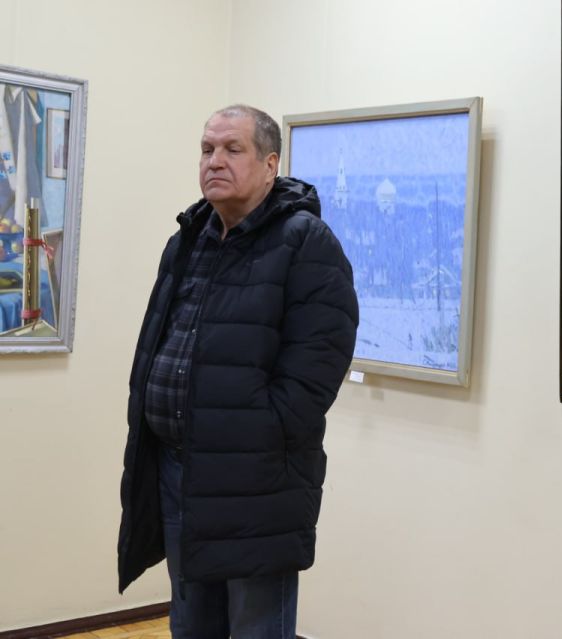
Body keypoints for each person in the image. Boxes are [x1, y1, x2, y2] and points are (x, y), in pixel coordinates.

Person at [118, 104, 359, 638]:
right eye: (207, 149)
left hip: (257, 480)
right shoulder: (188, 239)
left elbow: (320, 361)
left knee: (255, 625)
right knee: (192, 624)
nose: (215, 161)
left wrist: (262, 434)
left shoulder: (304, 242)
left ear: (270, 165)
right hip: (178, 470)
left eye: (232, 149)